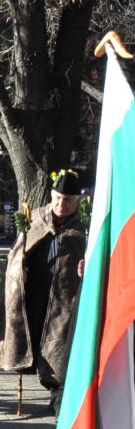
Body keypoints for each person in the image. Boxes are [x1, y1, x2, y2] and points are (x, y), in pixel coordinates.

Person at [1, 168, 87, 413]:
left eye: (68, 199)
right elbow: (17, 254)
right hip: (34, 294)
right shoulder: (35, 220)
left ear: (77, 201)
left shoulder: (82, 231)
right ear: (51, 195)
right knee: (32, 338)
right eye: (58, 197)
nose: (62, 203)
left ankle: (58, 398)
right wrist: (20, 267)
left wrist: (85, 270)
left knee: (58, 348)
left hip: (63, 300)